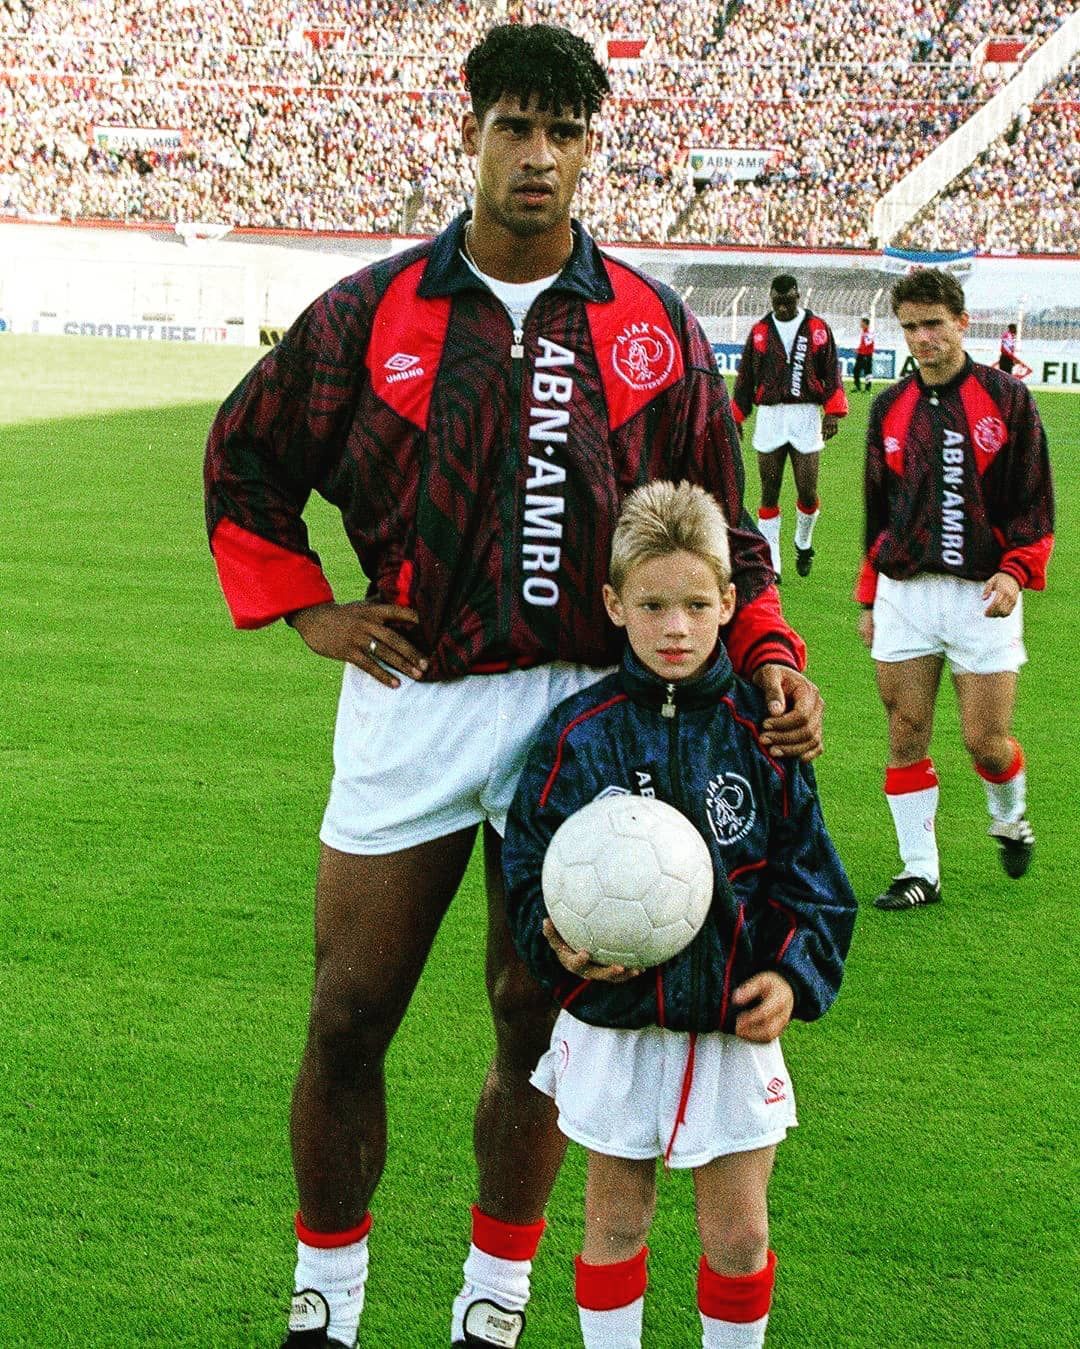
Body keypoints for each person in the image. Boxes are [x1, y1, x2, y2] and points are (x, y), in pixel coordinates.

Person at [204, 23, 825, 1349]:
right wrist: (309, 607)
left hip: (594, 717)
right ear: (471, 130)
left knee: (539, 1018)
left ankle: (493, 1302)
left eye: (564, 133)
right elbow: (245, 456)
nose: (537, 156)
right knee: (351, 1007)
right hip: (418, 697)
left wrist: (766, 648)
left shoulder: (651, 327)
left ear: (590, 148)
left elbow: (724, 520)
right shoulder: (372, 310)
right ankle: (328, 1297)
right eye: (514, 127)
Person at [503, 481, 856, 1348]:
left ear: (729, 603)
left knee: (737, 1230)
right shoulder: (578, 735)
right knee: (616, 1219)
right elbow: (524, 868)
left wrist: (792, 977)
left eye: (698, 604)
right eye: (653, 604)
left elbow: (814, 881)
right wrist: (556, 948)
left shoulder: (761, 730)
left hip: (729, 1026)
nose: (676, 627)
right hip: (616, 1023)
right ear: (615, 604)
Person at [856, 268, 1054, 911]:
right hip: (905, 594)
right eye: (910, 327)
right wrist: (869, 595)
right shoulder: (889, 406)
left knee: (983, 740)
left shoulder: (1007, 400)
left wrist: (1015, 570)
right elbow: (875, 510)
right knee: (906, 727)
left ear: (962, 323)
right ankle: (919, 871)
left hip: (980, 596)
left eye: (933, 324)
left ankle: (1010, 817)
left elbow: (1033, 500)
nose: (922, 339)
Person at [731, 275, 848, 582]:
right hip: (770, 417)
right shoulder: (759, 332)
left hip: (805, 414)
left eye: (788, 301)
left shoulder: (818, 329)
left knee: (807, 492)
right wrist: (737, 416)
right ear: (770, 298)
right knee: (769, 494)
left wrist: (832, 412)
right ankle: (773, 562)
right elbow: (744, 378)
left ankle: (803, 543)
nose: (782, 307)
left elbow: (831, 371)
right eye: (777, 302)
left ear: (798, 296)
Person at [852, 316, 875, 392]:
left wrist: (859, 350)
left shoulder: (869, 333)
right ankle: (858, 387)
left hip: (866, 355)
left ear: (865, 323)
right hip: (861, 354)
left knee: (867, 372)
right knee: (856, 371)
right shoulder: (864, 332)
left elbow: (867, 345)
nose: (860, 324)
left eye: (862, 322)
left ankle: (867, 388)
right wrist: (858, 350)